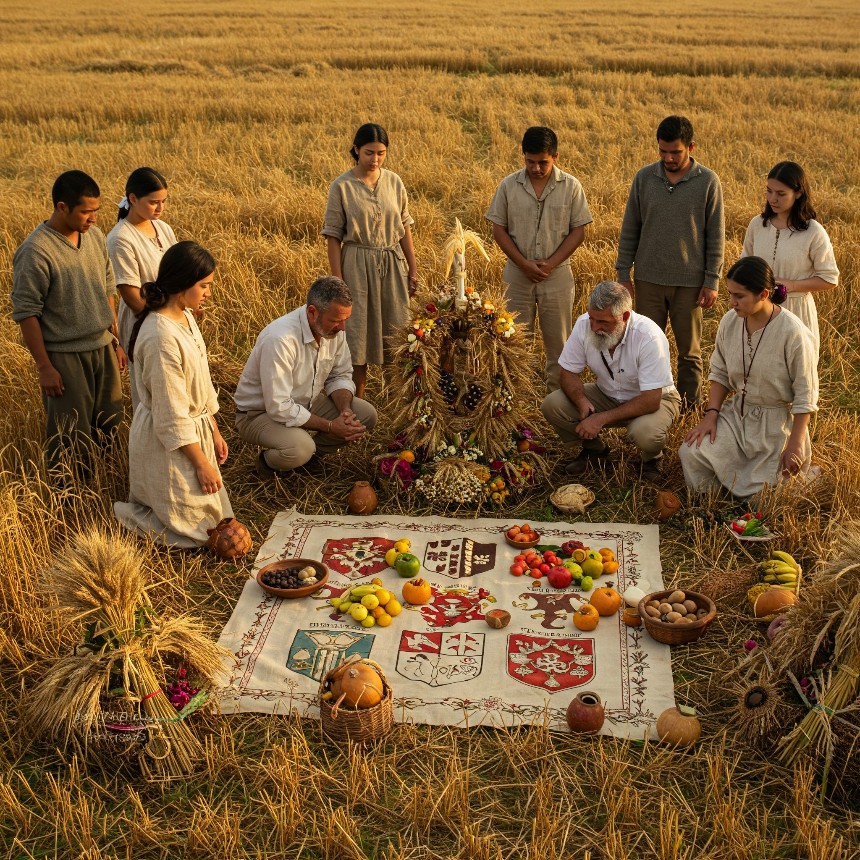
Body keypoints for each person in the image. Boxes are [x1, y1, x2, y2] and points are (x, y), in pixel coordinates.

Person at [113, 242, 233, 548]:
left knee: (213, 522)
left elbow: (203, 383)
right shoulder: (160, 337)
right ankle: (131, 517)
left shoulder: (185, 316)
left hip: (193, 429)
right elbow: (170, 413)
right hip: (168, 440)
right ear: (182, 284)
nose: (208, 293)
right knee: (194, 535)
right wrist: (201, 463)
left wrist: (214, 432)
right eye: (204, 286)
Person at [11, 170, 124, 473]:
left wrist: (115, 339)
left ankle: (103, 486)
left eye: (96, 211)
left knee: (109, 421)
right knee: (70, 435)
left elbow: (107, 287)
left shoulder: (95, 237)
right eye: (86, 212)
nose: (93, 219)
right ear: (62, 207)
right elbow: (26, 312)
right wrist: (44, 366)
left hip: (102, 347)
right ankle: (69, 498)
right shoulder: (35, 251)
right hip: (65, 355)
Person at [679, 256, 818, 500]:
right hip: (737, 417)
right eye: (730, 294)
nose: (732, 302)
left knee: (763, 500)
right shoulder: (730, 322)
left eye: (739, 296)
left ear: (764, 294)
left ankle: (804, 479)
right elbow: (720, 372)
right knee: (691, 453)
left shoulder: (793, 332)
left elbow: (805, 394)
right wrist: (711, 415)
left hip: (776, 428)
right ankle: (715, 504)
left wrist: (795, 443)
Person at [615, 115, 725, 409]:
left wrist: (711, 280)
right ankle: (645, 406)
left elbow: (716, 235)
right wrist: (624, 273)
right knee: (645, 349)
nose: (668, 157)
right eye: (662, 151)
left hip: (689, 284)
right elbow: (630, 229)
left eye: (675, 152)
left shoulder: (708, 182)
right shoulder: (644, 178)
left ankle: (689, 410)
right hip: (648, 280)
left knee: (690, 354)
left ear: (690, 146)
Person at [234, 276, 378, 479]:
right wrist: (330, 426)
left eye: (345, 319)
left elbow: (339, 375)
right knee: (300, 447)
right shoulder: (280, 339)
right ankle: (268, 464)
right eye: (336, 320)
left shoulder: (334, 330)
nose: (342, 328)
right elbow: (279, 406)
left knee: (364, 414)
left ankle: (307, 459)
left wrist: (345, 413)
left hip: (304, 403)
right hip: (258, 414)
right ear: (312, 312)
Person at [485, 126, 592, 392]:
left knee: (560, 345)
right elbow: (499, 229)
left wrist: (552, 262)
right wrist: (523, 263)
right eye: (530, 161)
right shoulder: (509, 185)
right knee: (513, 343)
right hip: (516, 276)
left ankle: (557, 401)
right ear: (523, 156)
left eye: (542, 162)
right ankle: (513, 400)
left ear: (555, 156)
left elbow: (578, 231)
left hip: (557, 277)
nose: (536, 168)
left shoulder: (571, 186)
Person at [541, 280, 681, 481]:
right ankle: (594, 449)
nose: (595, 327)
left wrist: (600, 418)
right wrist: (581, 402)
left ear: (624, 317)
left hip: (656, 400)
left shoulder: (649, 336)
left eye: (603, 322)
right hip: (607, 393)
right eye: (592, 319)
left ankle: (652, 457)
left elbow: (651, 400)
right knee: (553, 404)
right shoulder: (584, 325)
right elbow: (567, 372)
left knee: (646, 433)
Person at [322, 123, 418, 399]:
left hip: (392, 264)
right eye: (368, 153)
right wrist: (339, 280)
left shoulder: (394, 182)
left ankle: (400, 399)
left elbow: (404, 227)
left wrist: (413, 268)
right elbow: (332, 236)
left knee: (398, 330)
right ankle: (357, 400)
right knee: (357, 333)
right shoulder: (341, 186)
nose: (375, 159)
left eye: (381, 153)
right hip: (356, 266)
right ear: (355, 150)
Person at [740, 160, 838, 357]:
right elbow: (744, 266)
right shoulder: (758, 225)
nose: (772, 199)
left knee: (797, 378)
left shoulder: (813, 232)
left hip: (797, 312)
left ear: (798, 193)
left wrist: (791, 285)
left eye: (781, 194)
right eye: (769, 191)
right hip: (759, 310)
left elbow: (829, 279)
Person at [106, 167, 178, 407]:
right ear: (133, 199)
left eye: (164, 201)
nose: (160, 208)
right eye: (154, 202)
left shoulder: (164, 228)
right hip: (144, 323)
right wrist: (162, 320)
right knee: (152, 394)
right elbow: (132, 297)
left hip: (174, 316)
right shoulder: (120, 238)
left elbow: (178, 272)